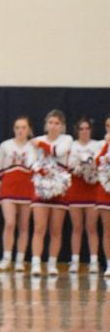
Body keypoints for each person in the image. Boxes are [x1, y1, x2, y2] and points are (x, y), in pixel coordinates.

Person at [29, 109, 73, 276]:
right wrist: (39, 170)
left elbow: (57, 152)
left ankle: (52, 264)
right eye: (51, 123)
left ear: (62, 126)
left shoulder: (67, 139)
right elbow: (30, 161)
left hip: (59, 186)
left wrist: (40, 145)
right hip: (41, 186)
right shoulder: (38, 139)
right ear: (46, 125)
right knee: (39, 227)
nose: (53, 126)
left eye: (57, 123)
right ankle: (35, 263)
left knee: (56, 229)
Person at [0, 116, 37, 271]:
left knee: (24, 226)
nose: (20, 130)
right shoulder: (5, 146)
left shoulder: (34, 147)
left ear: (29, 129)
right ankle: (6, 258)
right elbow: (0, 168)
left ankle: (20, 259)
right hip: (8, 188)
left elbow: (36, 168)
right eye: (17, 127)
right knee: (10, 223)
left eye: (23, 127)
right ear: (13, 129)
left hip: (27, 188)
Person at [66, 116, 102, 274]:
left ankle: (93, 261)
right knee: (77, 227)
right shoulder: (72, 145)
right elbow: (69, 164)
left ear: (91, 130)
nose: (84, 131)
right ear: (77, 131)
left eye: (87, 128)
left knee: (92, 227)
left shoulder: (97, 145)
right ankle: (75, 261)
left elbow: (100, 164)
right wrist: (78, 167)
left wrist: (91, 167)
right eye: (81, 129)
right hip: (76, 189)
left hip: (92, 189)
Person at [94, 116, 110, 277]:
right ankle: (109, 264)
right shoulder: (100, 144)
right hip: (105, 191)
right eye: (107, 125)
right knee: (107, 229)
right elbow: (97, 162)